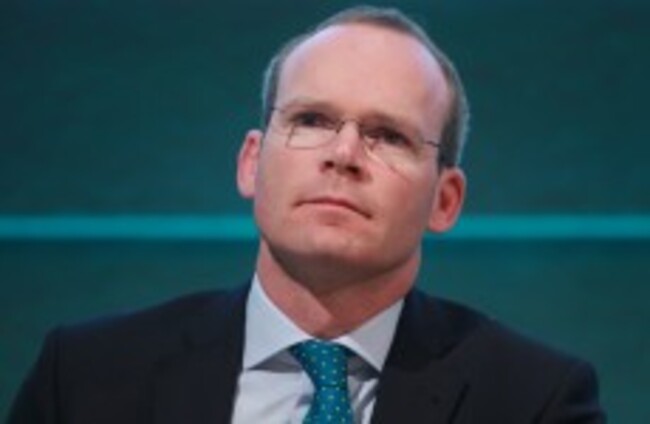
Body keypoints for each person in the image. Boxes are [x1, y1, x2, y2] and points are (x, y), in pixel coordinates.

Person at [7, 5, 605, 424]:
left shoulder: (536, 402)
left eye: (388, 135)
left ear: (445, 201)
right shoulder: (85, 378)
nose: (343, 155)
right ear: (251, 163)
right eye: (311, 120)